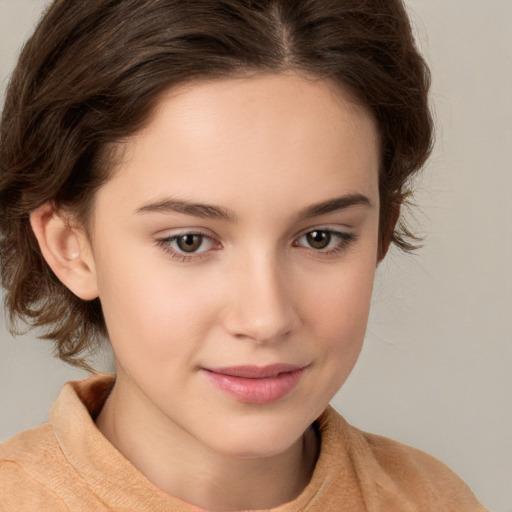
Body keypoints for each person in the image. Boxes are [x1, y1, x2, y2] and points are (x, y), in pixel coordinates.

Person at [0, 0, 489, 510]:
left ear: (380, 235)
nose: (265, 319)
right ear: (70, 246)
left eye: (321, 237)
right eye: (189, 241)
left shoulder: (433, 499)